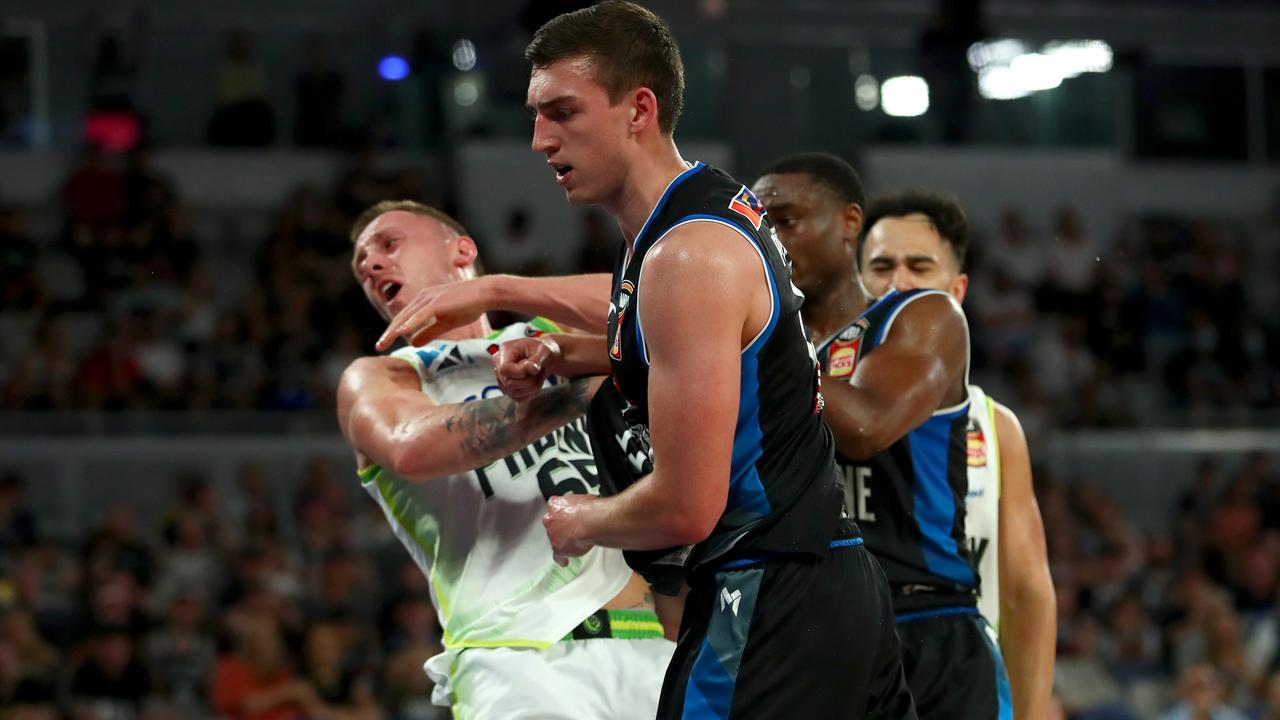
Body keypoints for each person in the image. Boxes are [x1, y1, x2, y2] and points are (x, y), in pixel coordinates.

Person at [382, 5, 914, 719]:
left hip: (764, 589)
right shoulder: (698, 209)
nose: (540, 139)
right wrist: (563, 352)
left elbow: (687, 507)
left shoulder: (684, 255)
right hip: (828, 585)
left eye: (563, 113)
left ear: (639, 110)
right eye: (537, 115)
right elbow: (697, 347)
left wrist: (586, 520)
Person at [339, 200, 673, 720]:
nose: (372, 266)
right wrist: (581, 391)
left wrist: (498, 289)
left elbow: (662, 298)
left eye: (388, 244)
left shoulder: (546, 339)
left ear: (462, 250)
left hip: (650, 640)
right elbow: (409, 446)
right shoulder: (388, 374)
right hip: (515, 658)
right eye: (362, 267)